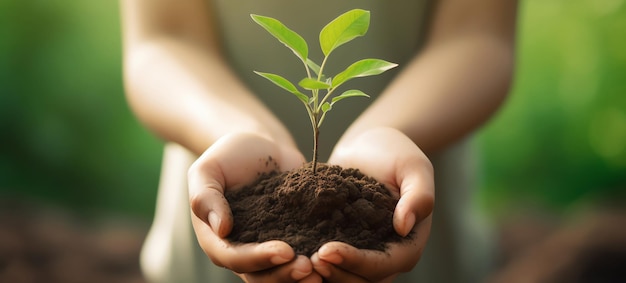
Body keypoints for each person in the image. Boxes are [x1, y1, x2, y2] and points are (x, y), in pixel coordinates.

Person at [120, 0, 518, 282]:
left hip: (411, 217)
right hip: (218, 223)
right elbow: (162, 40)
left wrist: (383, 134)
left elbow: (478, 34)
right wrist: (239, 131)